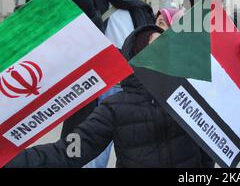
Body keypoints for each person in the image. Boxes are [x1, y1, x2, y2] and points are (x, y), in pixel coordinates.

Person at [5, 25, 214, 168]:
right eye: (157, 46)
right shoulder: (114, 107)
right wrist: (11, 161)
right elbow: (70, 150)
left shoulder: (188, 93)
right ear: (139, 56)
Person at [61, 0, 156, 168]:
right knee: (92, 157)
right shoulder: (90, 1)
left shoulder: (141, 9)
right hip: (98, 89)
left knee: (137, 154)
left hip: (132, 90)